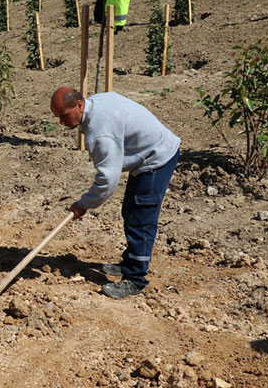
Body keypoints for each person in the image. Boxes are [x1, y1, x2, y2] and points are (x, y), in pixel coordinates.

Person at [50, 87, 180, 299]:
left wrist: (84, 204)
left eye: (64, 116)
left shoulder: (99, 133)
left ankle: (135, 279)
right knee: (130, 210)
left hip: (158, 157)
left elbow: (108, 180)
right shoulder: (97, 103)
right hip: (148, 153)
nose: (61, 123)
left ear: (79, 106)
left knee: (141, 217)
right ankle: (130, 262)